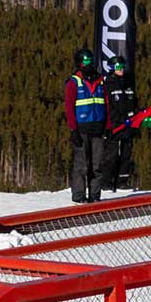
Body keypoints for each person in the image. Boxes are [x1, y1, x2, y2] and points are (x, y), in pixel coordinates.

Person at [64, 46, 109, 203]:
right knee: (81, 166)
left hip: (98, 128)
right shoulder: (73, 82)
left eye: (90, 61)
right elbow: (69, 107)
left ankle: (95, 196)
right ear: (79, 64)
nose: (88, 65)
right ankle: (79, 196)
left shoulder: (101, 81)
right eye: (85, 62)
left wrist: (107, 125)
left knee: (96, 165)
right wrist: (73, 129)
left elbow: (107, 103)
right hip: (81, 129)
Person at [100, 54, 139, 192]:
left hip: (128, 125)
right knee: (111, 155)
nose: (121, 69)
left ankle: (122, 181)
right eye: (118, 67)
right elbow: (107, 107)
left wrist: (137, 114)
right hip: (115, 126)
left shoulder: (128, 83)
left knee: (126, 154)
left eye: (123, 66)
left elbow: (133, 102)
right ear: (111, 68)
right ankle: (106, 182)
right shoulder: (108, 84)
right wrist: (108, 126)